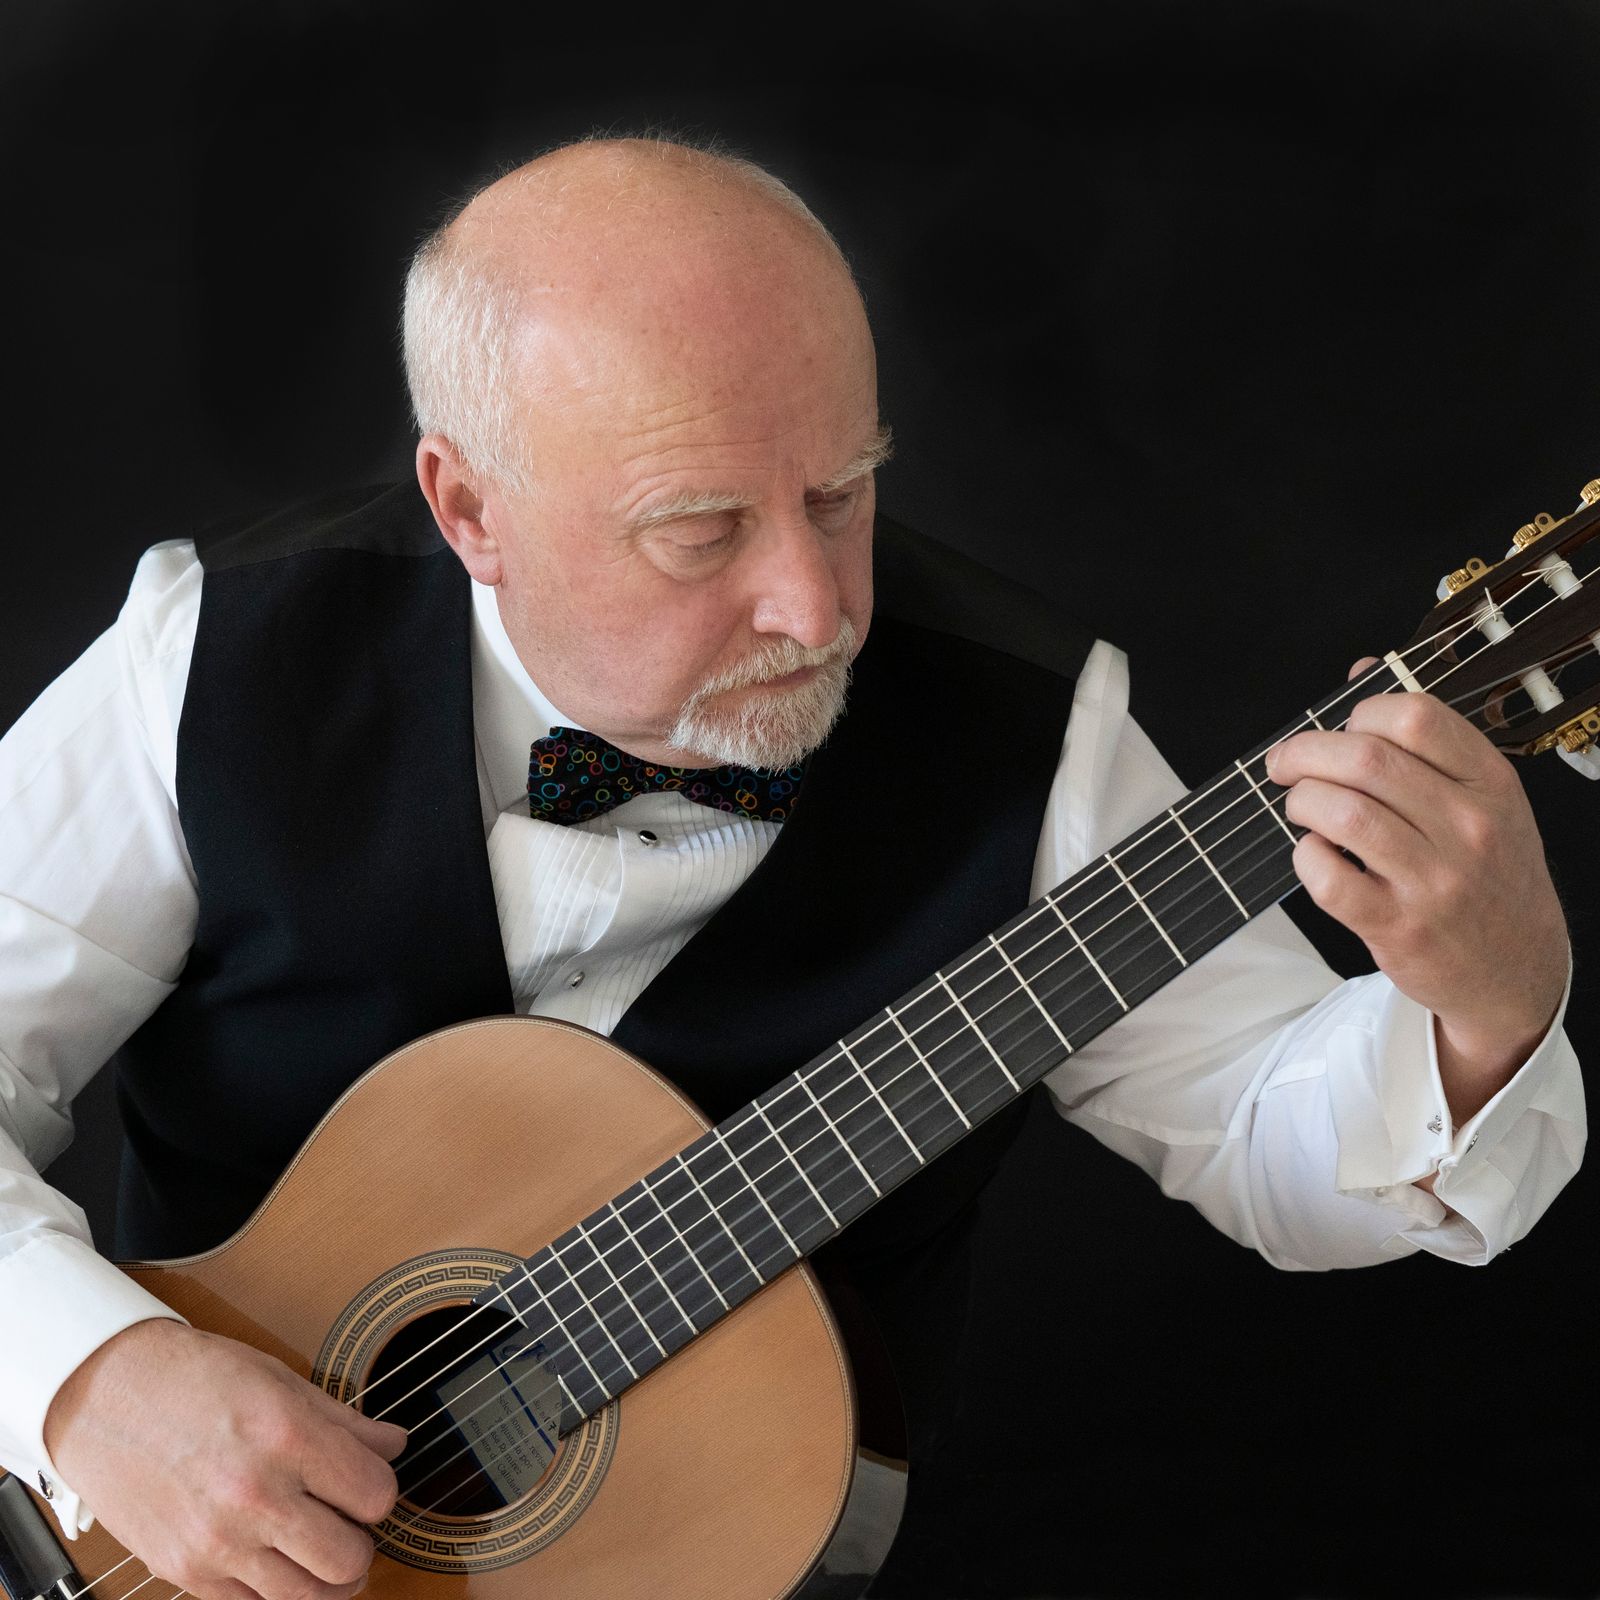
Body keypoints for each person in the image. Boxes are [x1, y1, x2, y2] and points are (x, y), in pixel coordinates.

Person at [0, 134, 1583, 1600]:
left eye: (841, 493)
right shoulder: (220, 662)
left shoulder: (1029, 729)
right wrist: (92, 1378)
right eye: (701, 533)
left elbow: (1269, 1136)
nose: (817, 609)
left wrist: (1490, 1003)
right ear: (471, 507)